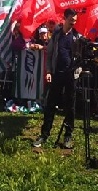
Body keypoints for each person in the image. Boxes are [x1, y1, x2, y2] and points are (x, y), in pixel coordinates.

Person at [33, 8, 83, 149]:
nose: (73, 23)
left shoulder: (77, 37)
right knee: (50, 104)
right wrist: (49, 71)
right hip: (56, 74)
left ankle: (68, 135)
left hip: (70, 76)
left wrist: (77, 71)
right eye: (71, 20)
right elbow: (49, 54)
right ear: (65, 19)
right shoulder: (56, 35)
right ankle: (44, 134)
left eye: (75, 21)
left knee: (70, 106)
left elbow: (81, 57)